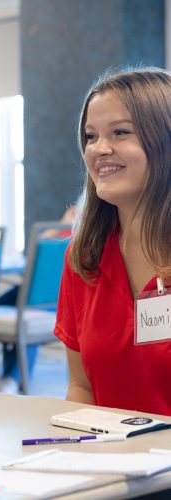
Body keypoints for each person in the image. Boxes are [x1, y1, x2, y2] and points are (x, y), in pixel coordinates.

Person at [54, 67, 171, 415]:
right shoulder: (84, 257)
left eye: (120, 132)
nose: (99, 149)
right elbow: (81, 387)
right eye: (91, 137)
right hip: (112, 462)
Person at [0, 201, 79, 392]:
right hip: (46, 296)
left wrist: (63, 224)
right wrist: (63, 224)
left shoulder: (74, 238)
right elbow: (35, 254)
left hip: (49, 301)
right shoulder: (67, 238)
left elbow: (34, 251)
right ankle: (7, 378)